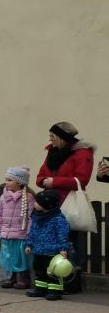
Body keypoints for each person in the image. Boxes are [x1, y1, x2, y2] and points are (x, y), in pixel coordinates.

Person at [35, 122, 94, 292]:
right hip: (51, 204)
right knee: (52, 241)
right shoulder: (51, 152)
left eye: (53, 137)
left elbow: (82, 180)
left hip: (69, 203)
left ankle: (71, 280)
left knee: (70, 242)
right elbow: (40, 175)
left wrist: (55, 182)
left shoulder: (82, 153)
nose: (50, 140)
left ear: (62, 137)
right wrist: (44, 181)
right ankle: (51, 278)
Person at [23, 189, 70, 301]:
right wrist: (29, 244)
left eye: (37, 202)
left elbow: (63, 234)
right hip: (39, 250)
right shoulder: (36, 216)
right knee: (39, 269)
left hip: (52, 251)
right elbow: (32, 232)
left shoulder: (57, 219)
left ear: (46, 205)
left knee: (53, 271)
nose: (34, 204)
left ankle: (55, 290)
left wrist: (63, 248)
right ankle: (40, 288)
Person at [0, 166, 34, 290]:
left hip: (21, 235)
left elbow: (31, 217)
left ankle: (24, 278)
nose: (6, 182)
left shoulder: (29, 197)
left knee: (21, 258)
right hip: (6, 233)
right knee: (9, 257)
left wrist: (29, 233)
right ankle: (11, 278)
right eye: (6, 179)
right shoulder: (3, 197)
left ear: (20, 182)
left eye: (9, 180)